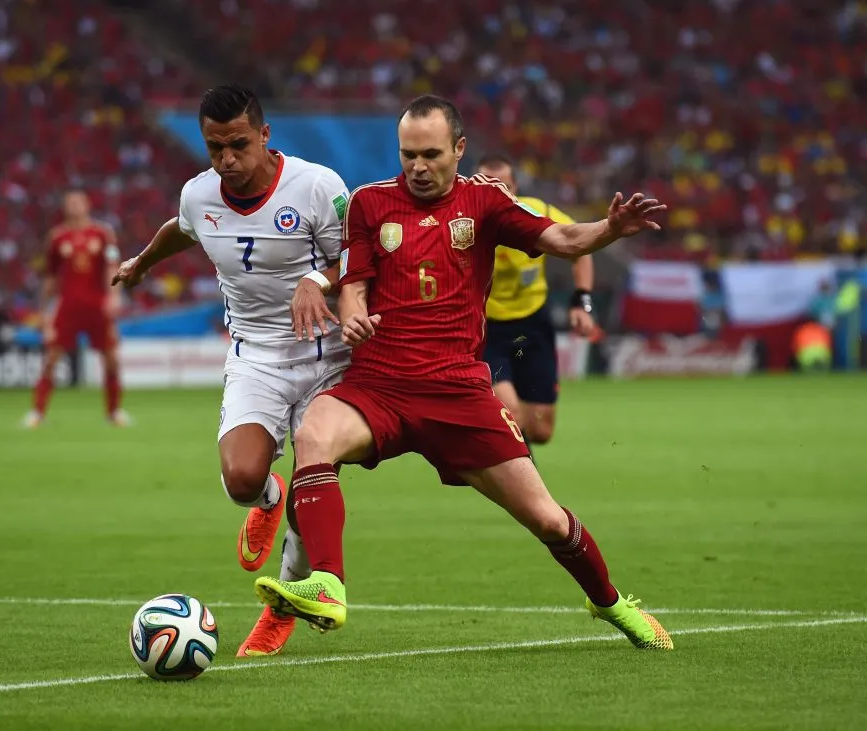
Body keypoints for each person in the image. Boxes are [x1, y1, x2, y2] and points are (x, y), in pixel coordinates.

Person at [254, 95, 674, 651]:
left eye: (431, 154)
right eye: (408, 155)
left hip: (458, 392)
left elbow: (563, 241)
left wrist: (610, 229)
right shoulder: (369, 205)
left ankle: (612, 604)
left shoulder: (486, 203)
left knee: (547, 520)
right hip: (379, 384)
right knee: (313, 434)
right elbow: (353, 285)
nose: (418, 167)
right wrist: (354, 320)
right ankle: (328, 584)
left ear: (459, 149)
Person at [112, 83, 351, 657]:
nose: (226, 160)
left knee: (315, 473)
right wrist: (142, 263)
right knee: (242, 478)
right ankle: (266, 500)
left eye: (238, 145)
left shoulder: (318, 187)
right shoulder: (200, 195)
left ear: (265, 135)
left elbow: (358, 257)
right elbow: (182, 229)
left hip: (329, 356)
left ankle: (282, 611)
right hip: (256, 356)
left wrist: (316, 281)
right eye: (214, 148)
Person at [476, 153, 594, 446]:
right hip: (487, 331)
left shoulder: (537, 212)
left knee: (541, 431)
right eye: (487, 186)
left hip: (533, 326)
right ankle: (526, 489)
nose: (496, 194)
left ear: (515, 188)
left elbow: (580, 246)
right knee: (511, 414)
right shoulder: (465, 223)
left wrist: (582, 300)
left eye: (502, 186)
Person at [24, 190, 128, 427]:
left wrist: (114, 296)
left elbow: (111, 267)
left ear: (87, 205)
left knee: (111, 358)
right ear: (64, 207)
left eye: (78, 202)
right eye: (69, 202)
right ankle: (37, 413)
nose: (74, 206)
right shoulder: (57, 237)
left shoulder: (103, 234)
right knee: (51, 358)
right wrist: (43, 310)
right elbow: (50, 277)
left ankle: (114, 412)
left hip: (97, 306)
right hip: (68, 306)